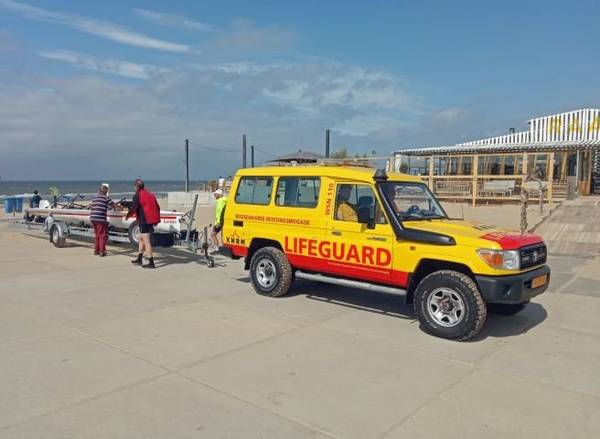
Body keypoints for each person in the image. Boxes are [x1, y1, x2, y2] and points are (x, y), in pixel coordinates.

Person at [126, 179, 160, 269]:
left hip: (144, 220)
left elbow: (133, 207)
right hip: (148, 220)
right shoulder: (150, 194)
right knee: (140, 238)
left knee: (146, 241)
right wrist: (156, 220)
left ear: (136, 186)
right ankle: (139, 258)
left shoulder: (137, 195)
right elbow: (157, 207)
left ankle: (151, 262)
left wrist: (128, 216)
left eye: (134, 186)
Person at [90, 185, 115, 257]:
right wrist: (118, 207)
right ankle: (102, 251)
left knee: (97, 235)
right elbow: (113, 205)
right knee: (102, 235)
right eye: (107, 191)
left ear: (99, 191)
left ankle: (96, 250)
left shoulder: (95, 198)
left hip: (93, 218)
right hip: (100, 219)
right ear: (106, 192)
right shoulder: (106, 198)